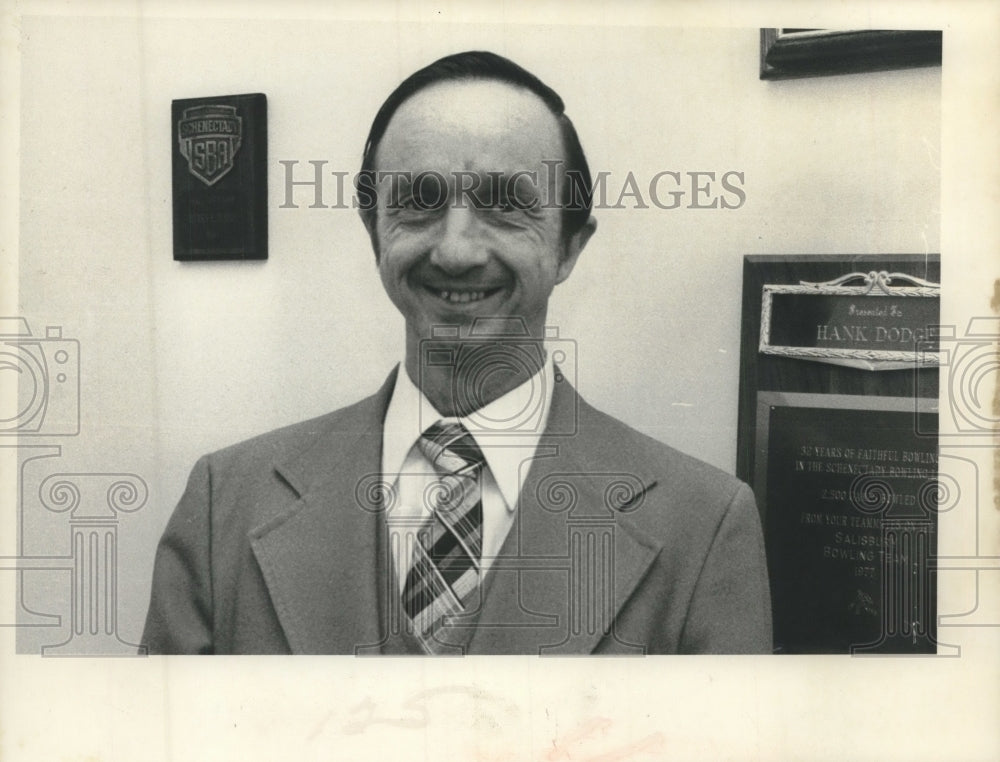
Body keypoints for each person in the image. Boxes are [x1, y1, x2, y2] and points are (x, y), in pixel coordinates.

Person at [142, 51, 772, 655]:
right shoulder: (222, 503)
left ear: (569, 247)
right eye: (419, 202)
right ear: (374, 233)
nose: (457, 251)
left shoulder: (706, 526)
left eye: (506, 205)